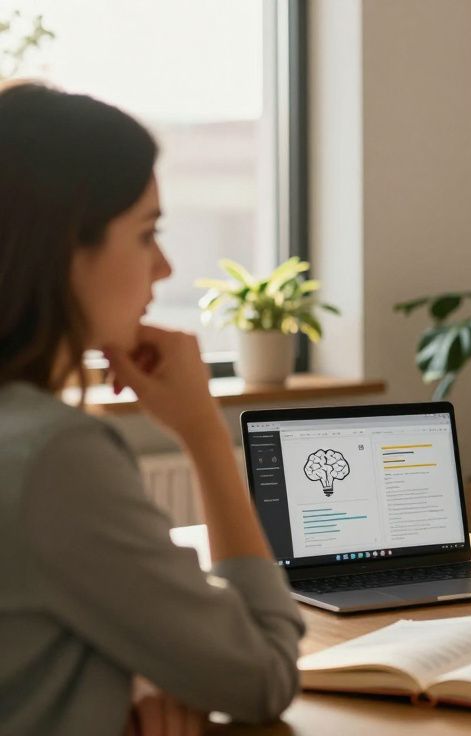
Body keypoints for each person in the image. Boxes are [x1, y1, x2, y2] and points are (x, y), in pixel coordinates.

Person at [0, 81, 304, 735]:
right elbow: (266, 672)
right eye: (146, 234)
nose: (163, 268)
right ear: (61, 249)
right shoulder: (55, 457)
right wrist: (200, 429)